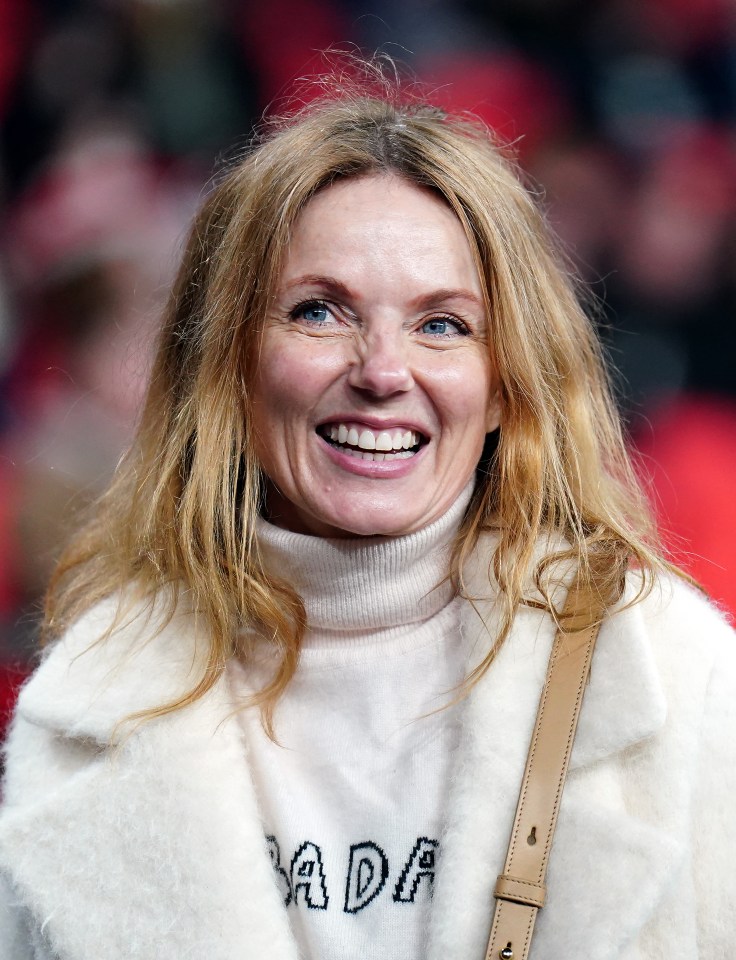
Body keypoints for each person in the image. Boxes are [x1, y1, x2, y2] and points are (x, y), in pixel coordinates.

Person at [0, 76, 734, 960]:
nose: (383, 371)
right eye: (320, 311)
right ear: (230, 361)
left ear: (507, 383)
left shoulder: (672, 671)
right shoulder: (85, 700)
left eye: (443, 325)